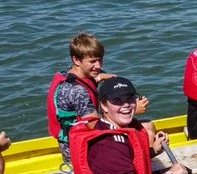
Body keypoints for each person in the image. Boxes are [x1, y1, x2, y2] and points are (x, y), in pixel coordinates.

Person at [47, 32, 149, 163]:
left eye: (100, 59)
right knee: (147, 130)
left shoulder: (68, 75)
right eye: (92, 61)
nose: (99, 66)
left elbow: (87, 84)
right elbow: (97, 127)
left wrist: (99, 78)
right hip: (80, 151)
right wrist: (132, 110)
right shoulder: (78, 92)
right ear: (76, 60)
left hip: (68, 143)